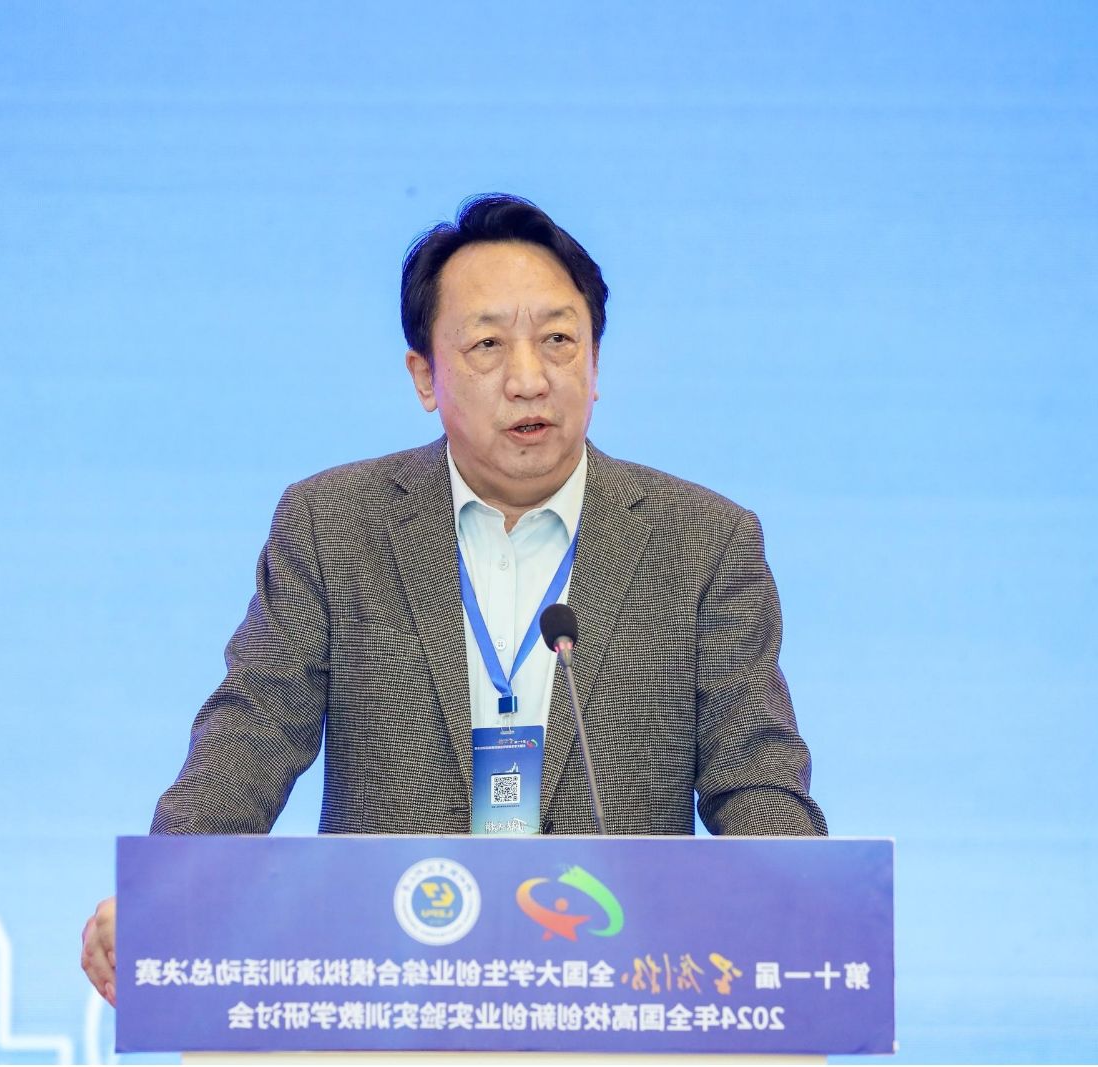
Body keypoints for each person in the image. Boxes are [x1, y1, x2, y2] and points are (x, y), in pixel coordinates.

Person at [80, 194, 824, 1005]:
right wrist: (169, 894)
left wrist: (808, 913)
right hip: (387, 999)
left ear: (596, 363)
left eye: (559, 340)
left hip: (620, 997)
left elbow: (756, 777)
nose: (529, 378)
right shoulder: (335, 524)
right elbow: (251, 733)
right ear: (424, 376)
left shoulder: (703, 541)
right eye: (487, 345)